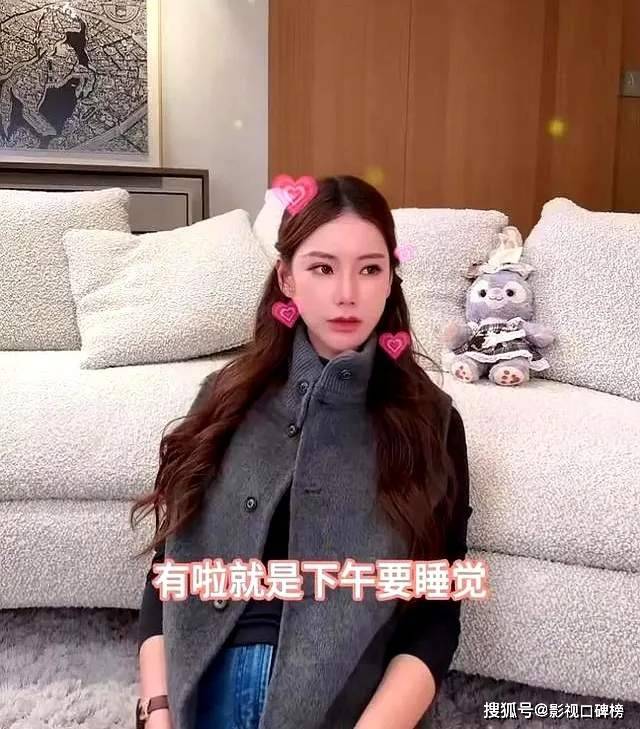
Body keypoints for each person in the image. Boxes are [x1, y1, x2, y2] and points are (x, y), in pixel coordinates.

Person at [131, 174, 473, 729]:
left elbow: (437, 609)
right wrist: (157, 709)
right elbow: (168, 567)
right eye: (322, 268)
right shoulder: (224, 398)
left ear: (391, 280)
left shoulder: (431, 423)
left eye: (369, 269)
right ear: (286, 278)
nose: (347, 294)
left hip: (345, 704)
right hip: (209, 686)